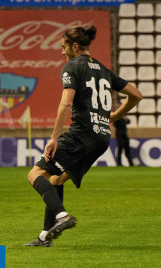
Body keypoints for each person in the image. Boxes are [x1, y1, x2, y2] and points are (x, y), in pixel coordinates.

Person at [24, 25, 142, 247]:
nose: (62, 52)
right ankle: (44, 237)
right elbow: (136, 95)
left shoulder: (71, 66)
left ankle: (63, 216)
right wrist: (113, 117)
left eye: (63, 47)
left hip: (81, 133)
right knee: (56, 179)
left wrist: (53, 138)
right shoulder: (104, 70)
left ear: (75, 46)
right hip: (102, 139)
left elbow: (67, 102)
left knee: (34, 174)